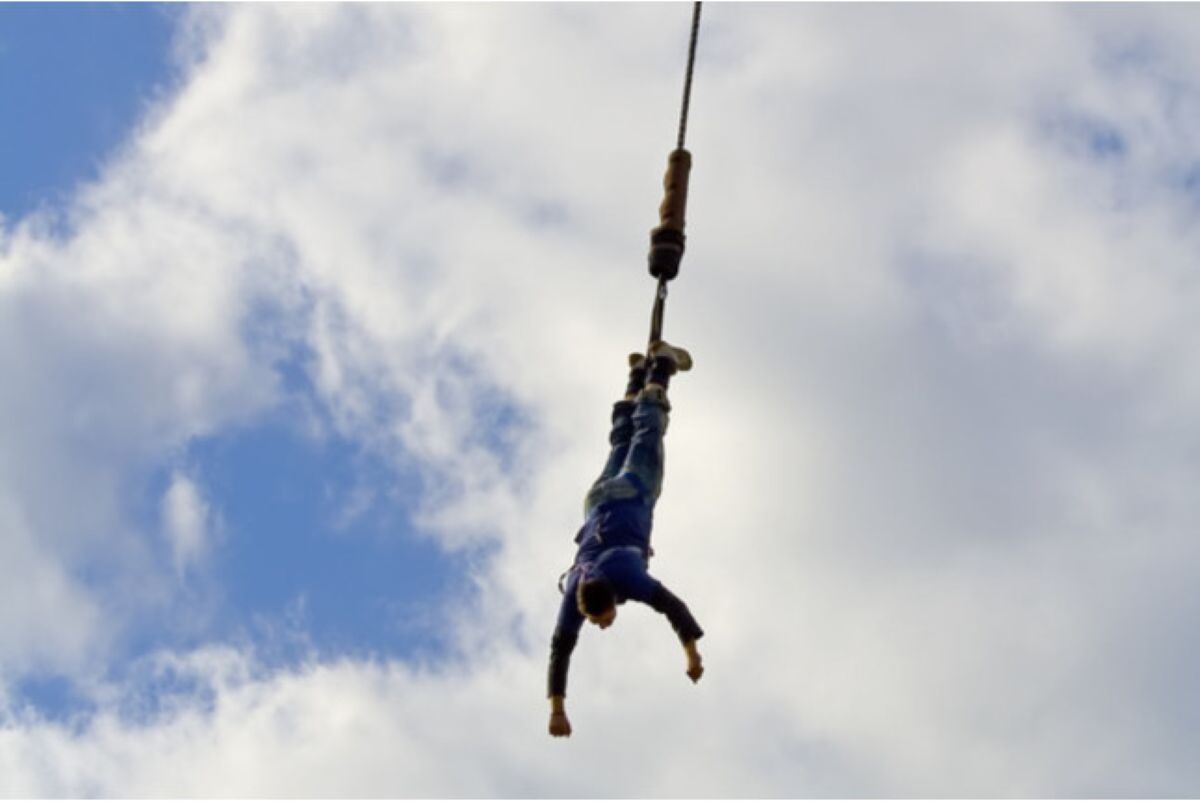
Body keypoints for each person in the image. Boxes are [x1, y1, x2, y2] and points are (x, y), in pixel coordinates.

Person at [547, 340, 705, 738]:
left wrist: (693, 656)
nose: (601, 626)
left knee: (649, 429)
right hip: (596, 501)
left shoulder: (629, 579)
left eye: (601, 621)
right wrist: (557, 710)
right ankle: (635, 373)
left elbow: (675, 607)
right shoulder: (577, 589)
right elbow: (559, 649)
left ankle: (661, 365)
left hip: (633, 492)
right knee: (621, 441)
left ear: (609, 602)